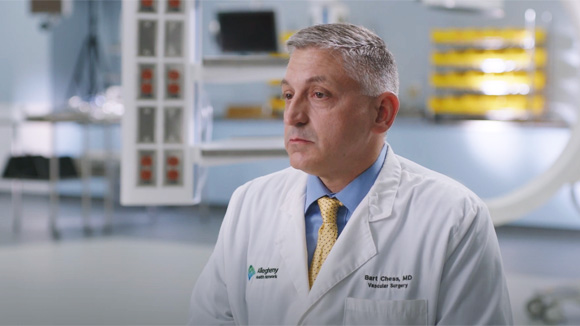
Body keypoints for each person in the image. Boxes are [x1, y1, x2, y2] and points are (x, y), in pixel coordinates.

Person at [189, 23, 513, 325]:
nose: (293, 116)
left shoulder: (455, 219)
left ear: (381, 113)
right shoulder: (250, 203)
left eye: (319, 95)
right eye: (288, 95)